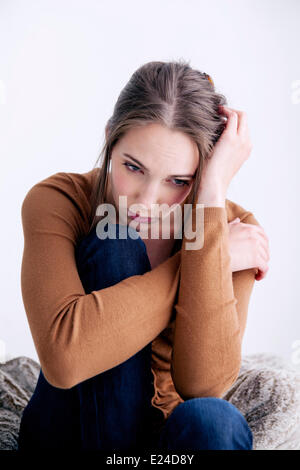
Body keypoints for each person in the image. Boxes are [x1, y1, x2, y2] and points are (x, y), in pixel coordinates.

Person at [17, 60, 269, 451]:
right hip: (72, 424)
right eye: (133, 168)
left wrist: (212, 200)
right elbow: (65, 361)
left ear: (201, 175)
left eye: (178, 181)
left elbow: (203, 383)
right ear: (109, 142)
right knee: (114, 240)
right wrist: (203, 261)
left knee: (215, 420)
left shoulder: (232, 227)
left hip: (164, 434)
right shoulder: (59, 200)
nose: (147, 202)